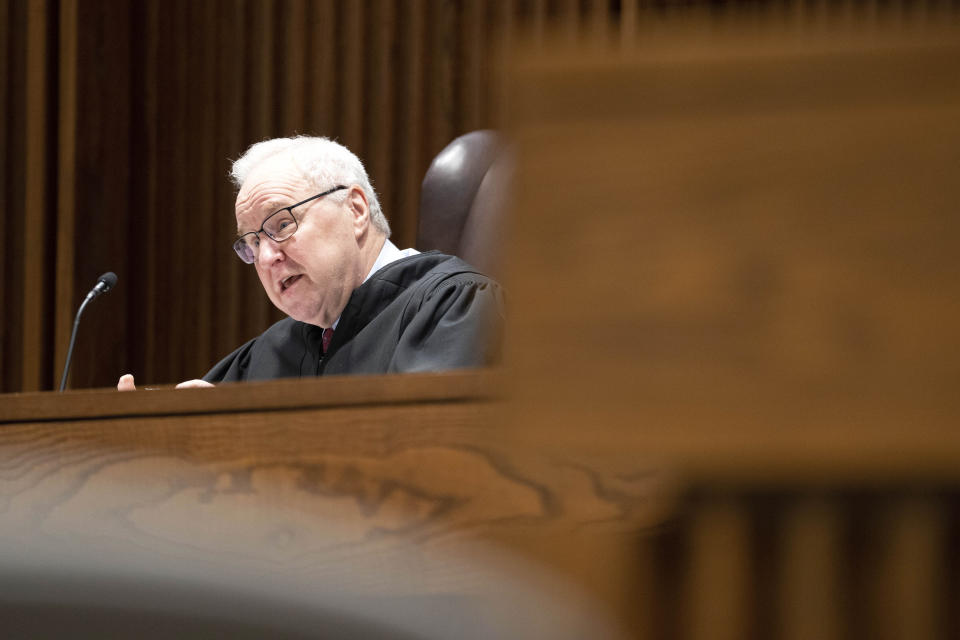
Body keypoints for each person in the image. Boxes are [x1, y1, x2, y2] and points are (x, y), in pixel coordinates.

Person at [118, 136, 504, 390]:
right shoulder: (268, 354)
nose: (267, 257)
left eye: (282, 224)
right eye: (251, 242)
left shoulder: (451, 307)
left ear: (355, 210)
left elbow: (421, 459)